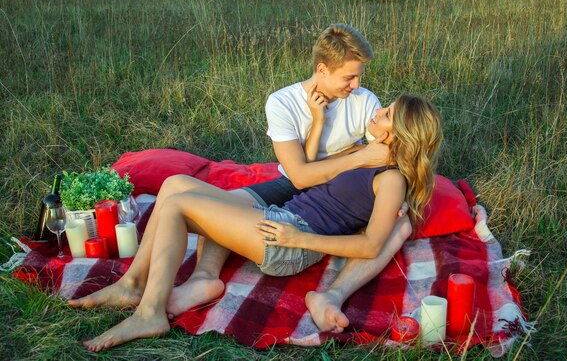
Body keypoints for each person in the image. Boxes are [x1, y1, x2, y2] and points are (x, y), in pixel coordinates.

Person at [69, 23, 406, 331]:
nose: (358, 85)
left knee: (188, 204)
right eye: (349, 77)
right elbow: (303, 175)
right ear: (322, 70)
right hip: (292, 184)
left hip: (314, 196)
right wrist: (321, 126)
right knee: (173, 186)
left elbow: (383, 153)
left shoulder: (364, 102)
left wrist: (380, 185)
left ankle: (158, 300)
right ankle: (141, 284)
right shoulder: (283, 102)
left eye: (359, 76)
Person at [78, 94, 444, 351]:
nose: (378, 110)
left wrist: (300, 239)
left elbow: (369, 246)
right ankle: (132, 284)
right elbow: (309, 174)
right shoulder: (364, 154)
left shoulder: (391, 179)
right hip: (280, 219)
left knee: (178, 207)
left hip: (289, 239)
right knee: (173, 185)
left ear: (399, 134)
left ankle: (150, 313)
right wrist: (351, 148)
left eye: (388, 113)